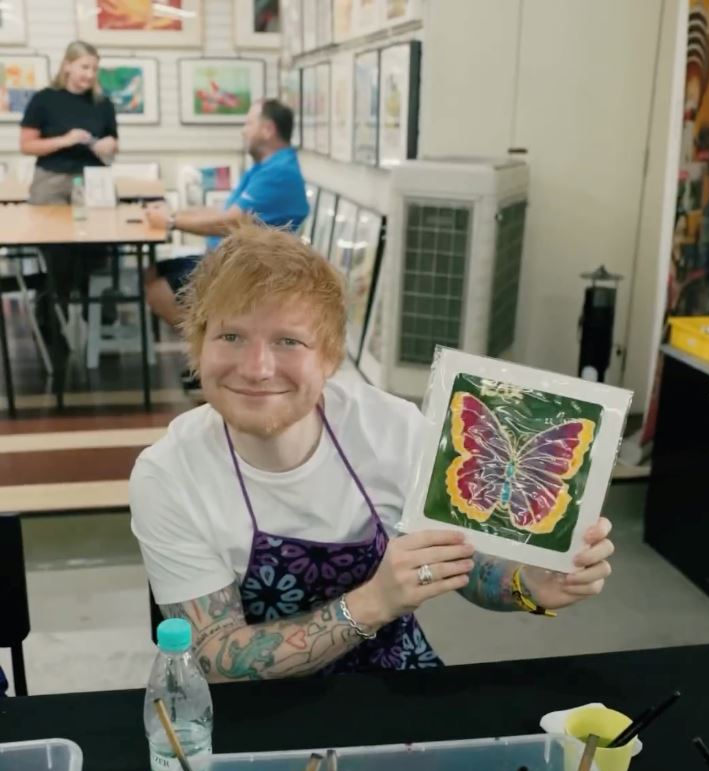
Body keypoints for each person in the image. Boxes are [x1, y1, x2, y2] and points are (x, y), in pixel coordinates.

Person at [129, 219, 614, 682]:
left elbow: (464, 564)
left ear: (331, 358)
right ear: (198, 345)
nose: (257, 368)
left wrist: (527, 584)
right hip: (256, 709)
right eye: (231, 336)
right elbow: (215, 655)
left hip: (393, 681)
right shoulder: (169, 474)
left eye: (288, 341)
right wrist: (372, 603)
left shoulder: (390, 430)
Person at [143, 99, 309, 332]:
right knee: (153, 272)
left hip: (246, 270)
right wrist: (174, 214)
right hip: (226, 259)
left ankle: (208, 357)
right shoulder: (265, 167)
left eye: (249, 123)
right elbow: (227, 211)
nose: (243, 130)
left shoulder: (278, 172)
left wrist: (171, 222)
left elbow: (231, 222)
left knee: (159, 291)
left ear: (267, 130)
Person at [20, 40, 118, 204]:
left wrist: (110, 145)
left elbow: (114, 143)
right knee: (47, 228)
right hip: (51, 180)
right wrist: (66, 140)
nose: (90, 75)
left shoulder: (103, 103)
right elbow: (26, 146)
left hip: (94, 180)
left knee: (98, 226)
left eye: (94, 69)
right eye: (85, 67)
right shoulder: (43, 99)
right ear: (67, 66)